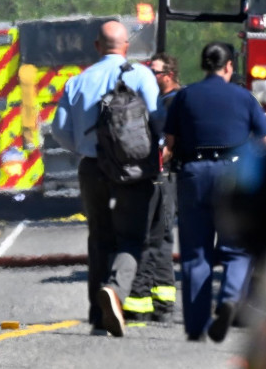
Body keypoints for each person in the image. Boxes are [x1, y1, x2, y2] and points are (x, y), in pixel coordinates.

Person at [53, 20, 159, 338]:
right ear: (126, 46)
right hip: (132, 169)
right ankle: (115, 290)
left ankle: (98, 315)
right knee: (131, 237)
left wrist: (85, 150)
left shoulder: (78, 81)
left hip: (92, 168)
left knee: (99, 238)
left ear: (98, 46)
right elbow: (157, 118)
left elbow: (59, 129)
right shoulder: (141, 75)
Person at [164, 42, 266, 343]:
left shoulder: (184, 96)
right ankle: (228, 299)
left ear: (204, 65)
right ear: (228, 67)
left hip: (195, 175)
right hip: (234, 175)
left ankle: (197, 327)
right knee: (237, 249)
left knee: (196, 253)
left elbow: (170, 144)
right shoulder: (243, 97)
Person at [125, 52, 182, 325]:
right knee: (158, 237)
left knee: (156, 237)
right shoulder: (160, 102)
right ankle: (160, 302)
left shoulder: (173, 103)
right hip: (161, 176)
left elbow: (170, 146)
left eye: (155, 72)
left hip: (165, 176)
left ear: (168, 75)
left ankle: (153, 303)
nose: (149, 75)